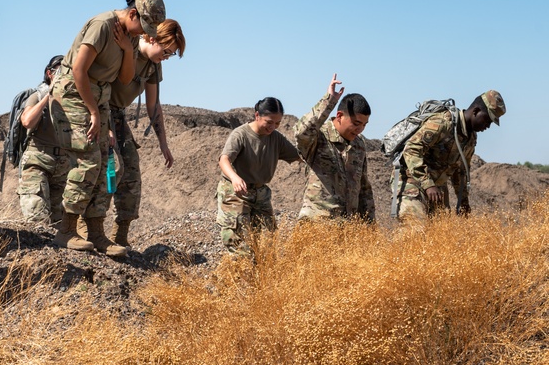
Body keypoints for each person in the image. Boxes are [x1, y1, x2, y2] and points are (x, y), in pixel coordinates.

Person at [51, 0, 166, 257]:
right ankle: (66, 229)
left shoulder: (129, 38)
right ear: (133, 14)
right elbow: (79, 70)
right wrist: (92, 111)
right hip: (74, 94)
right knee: (88, 160)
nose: (143, 33)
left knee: (105, 164)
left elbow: (125, 79)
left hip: (98, 98)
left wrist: (128, 49)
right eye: (143, 26)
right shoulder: (103, 25)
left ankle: (96, 233)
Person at [94, 19, 186, 256]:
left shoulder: (154, 65)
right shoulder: (127, 50)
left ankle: (121, 236)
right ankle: (92, 231)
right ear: (152, 38)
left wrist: (163, 143)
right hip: (99, 109)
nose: (166, 57)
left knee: (132, 171)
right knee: (112, 169)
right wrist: (106, 126)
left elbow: (153, 106)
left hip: (118, 116)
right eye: (166, 51)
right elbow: (99, 83)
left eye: (171, 55)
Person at [394, 90, 506, 219]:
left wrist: (463, 202)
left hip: (437, 188)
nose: (488, 126)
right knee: (416, 229)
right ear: (475, 111)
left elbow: (461, 171)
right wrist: (428, 184)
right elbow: (412, 149)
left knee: (440, 233)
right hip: (411, 180)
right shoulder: (443, 123)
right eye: (487, 120)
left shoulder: (470, 139)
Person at [217, 98, 301, 259]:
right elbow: (224, 159)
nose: (272, 127)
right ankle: (234, 280)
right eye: (269, 122)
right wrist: (235, 178)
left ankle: (261, 279)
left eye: (277, 123)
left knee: (268, 242)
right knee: (239, 246)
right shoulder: (240, 134)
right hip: (236, 193)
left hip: (260, 194)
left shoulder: (276, 138)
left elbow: (299, 156)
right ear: (257, 115)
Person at [294, 74, 375, 222]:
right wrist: (329, 101)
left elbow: (364, 189)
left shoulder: (359, 145)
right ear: (339, 116)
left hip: (348, 230)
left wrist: (369, 227)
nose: (360, 129)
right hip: (317, 226)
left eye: (364, 125)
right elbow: (301, 133)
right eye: (356, 123)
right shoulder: (318, 138)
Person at [17, 55, 69, 225]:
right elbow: (27, 121)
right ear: (49, 73)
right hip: (38, 160)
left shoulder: (74, 99)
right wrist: (50, 95)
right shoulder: (37, 95)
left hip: (63, 166)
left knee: (60, 225)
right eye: (60, 71)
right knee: (37, 220)